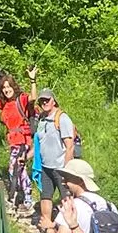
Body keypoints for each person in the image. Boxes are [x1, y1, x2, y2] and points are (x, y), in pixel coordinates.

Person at [32, 85, 77, 223]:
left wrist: (67, 169)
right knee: (45, 196)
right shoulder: (42, 119)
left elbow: (69, 146)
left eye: (47, 100)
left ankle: (71, 228)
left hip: (60, 167)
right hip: (45, 166)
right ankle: (47, 224)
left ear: (54, 101)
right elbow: (40, 143)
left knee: (67, 198)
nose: (44, 103)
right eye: (41, 101)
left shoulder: (62, 118)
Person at [0, 76, 34, 211]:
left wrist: (32, 81)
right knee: (18, 169)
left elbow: (33, 98)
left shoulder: (21, 99)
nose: (7, 90)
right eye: (4, 88)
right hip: (13, 141)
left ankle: (21, 197)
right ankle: (22, 197)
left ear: (14, 87)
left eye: (8, 87)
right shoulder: (4, 104)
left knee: (15, 168)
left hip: (22, 139)